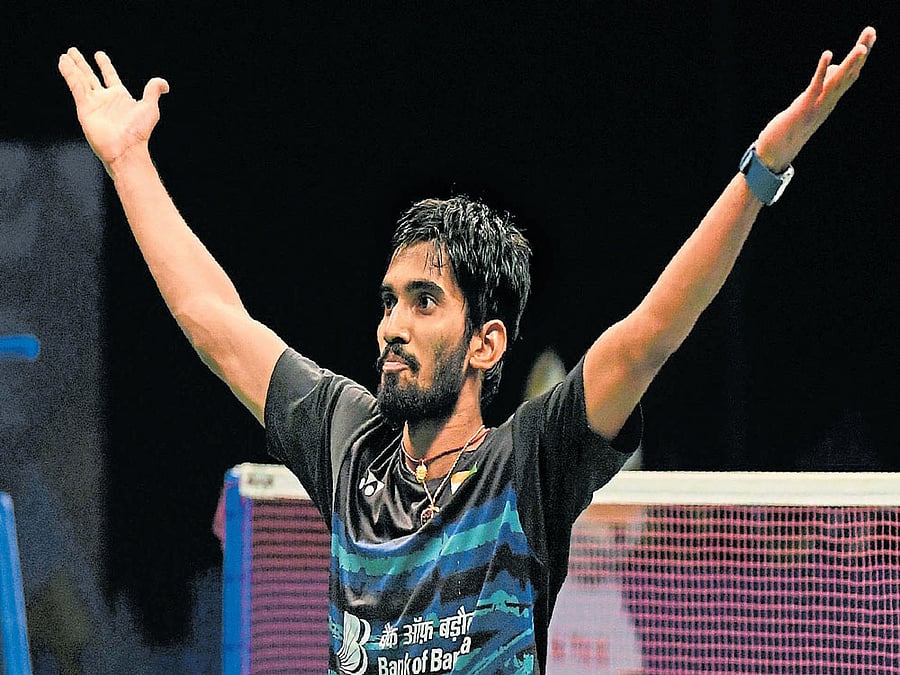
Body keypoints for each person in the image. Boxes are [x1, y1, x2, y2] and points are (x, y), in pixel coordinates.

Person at [58, 26, 876, 674]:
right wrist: (129, 160)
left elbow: (653, 329)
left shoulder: (528, 465)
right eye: (388, 301)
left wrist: (763, 167)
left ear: (487, 343)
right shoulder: (347, 440)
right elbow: (215, 319)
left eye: (423, 302)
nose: (391, 325)